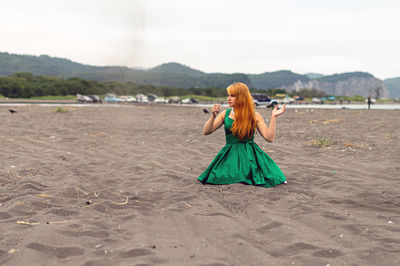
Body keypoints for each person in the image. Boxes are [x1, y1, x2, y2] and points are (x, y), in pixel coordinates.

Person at [198, 82, 287, 187]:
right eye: (228, 95)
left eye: (232, 96)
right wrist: (213, 116)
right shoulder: (225, 114)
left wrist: (273, 117)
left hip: (250, 155)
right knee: (221, 176)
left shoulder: (254, 115)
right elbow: (206, 131)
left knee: (263, 177)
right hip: (229, 154)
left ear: (241, 97)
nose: (228, 99)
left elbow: (269, 138)